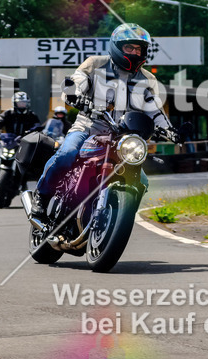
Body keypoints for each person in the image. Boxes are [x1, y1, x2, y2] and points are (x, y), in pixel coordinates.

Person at [32, 23, 177, 219]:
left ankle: (118, 220)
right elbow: (77, 80)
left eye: (138, 48)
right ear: (117, 47)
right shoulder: (95, 63)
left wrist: (170, 130)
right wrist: (75, 94)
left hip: (122, 138)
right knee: (67, 153)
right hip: (88, 127)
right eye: (129, 48)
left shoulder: (147, 79)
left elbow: (153, 109)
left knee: (141, 180)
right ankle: (41, 195)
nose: (135, 52)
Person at [0, 92, 42, 184]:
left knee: (33, 160)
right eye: (20, 103)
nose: (22, 105)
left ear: (28, 104)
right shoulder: (8, 113)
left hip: (23, 143)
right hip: (8, 141)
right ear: (14, 103)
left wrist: (35, 131)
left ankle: (26, 182)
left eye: (24, 103)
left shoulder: (32, 115)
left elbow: (37, 126)